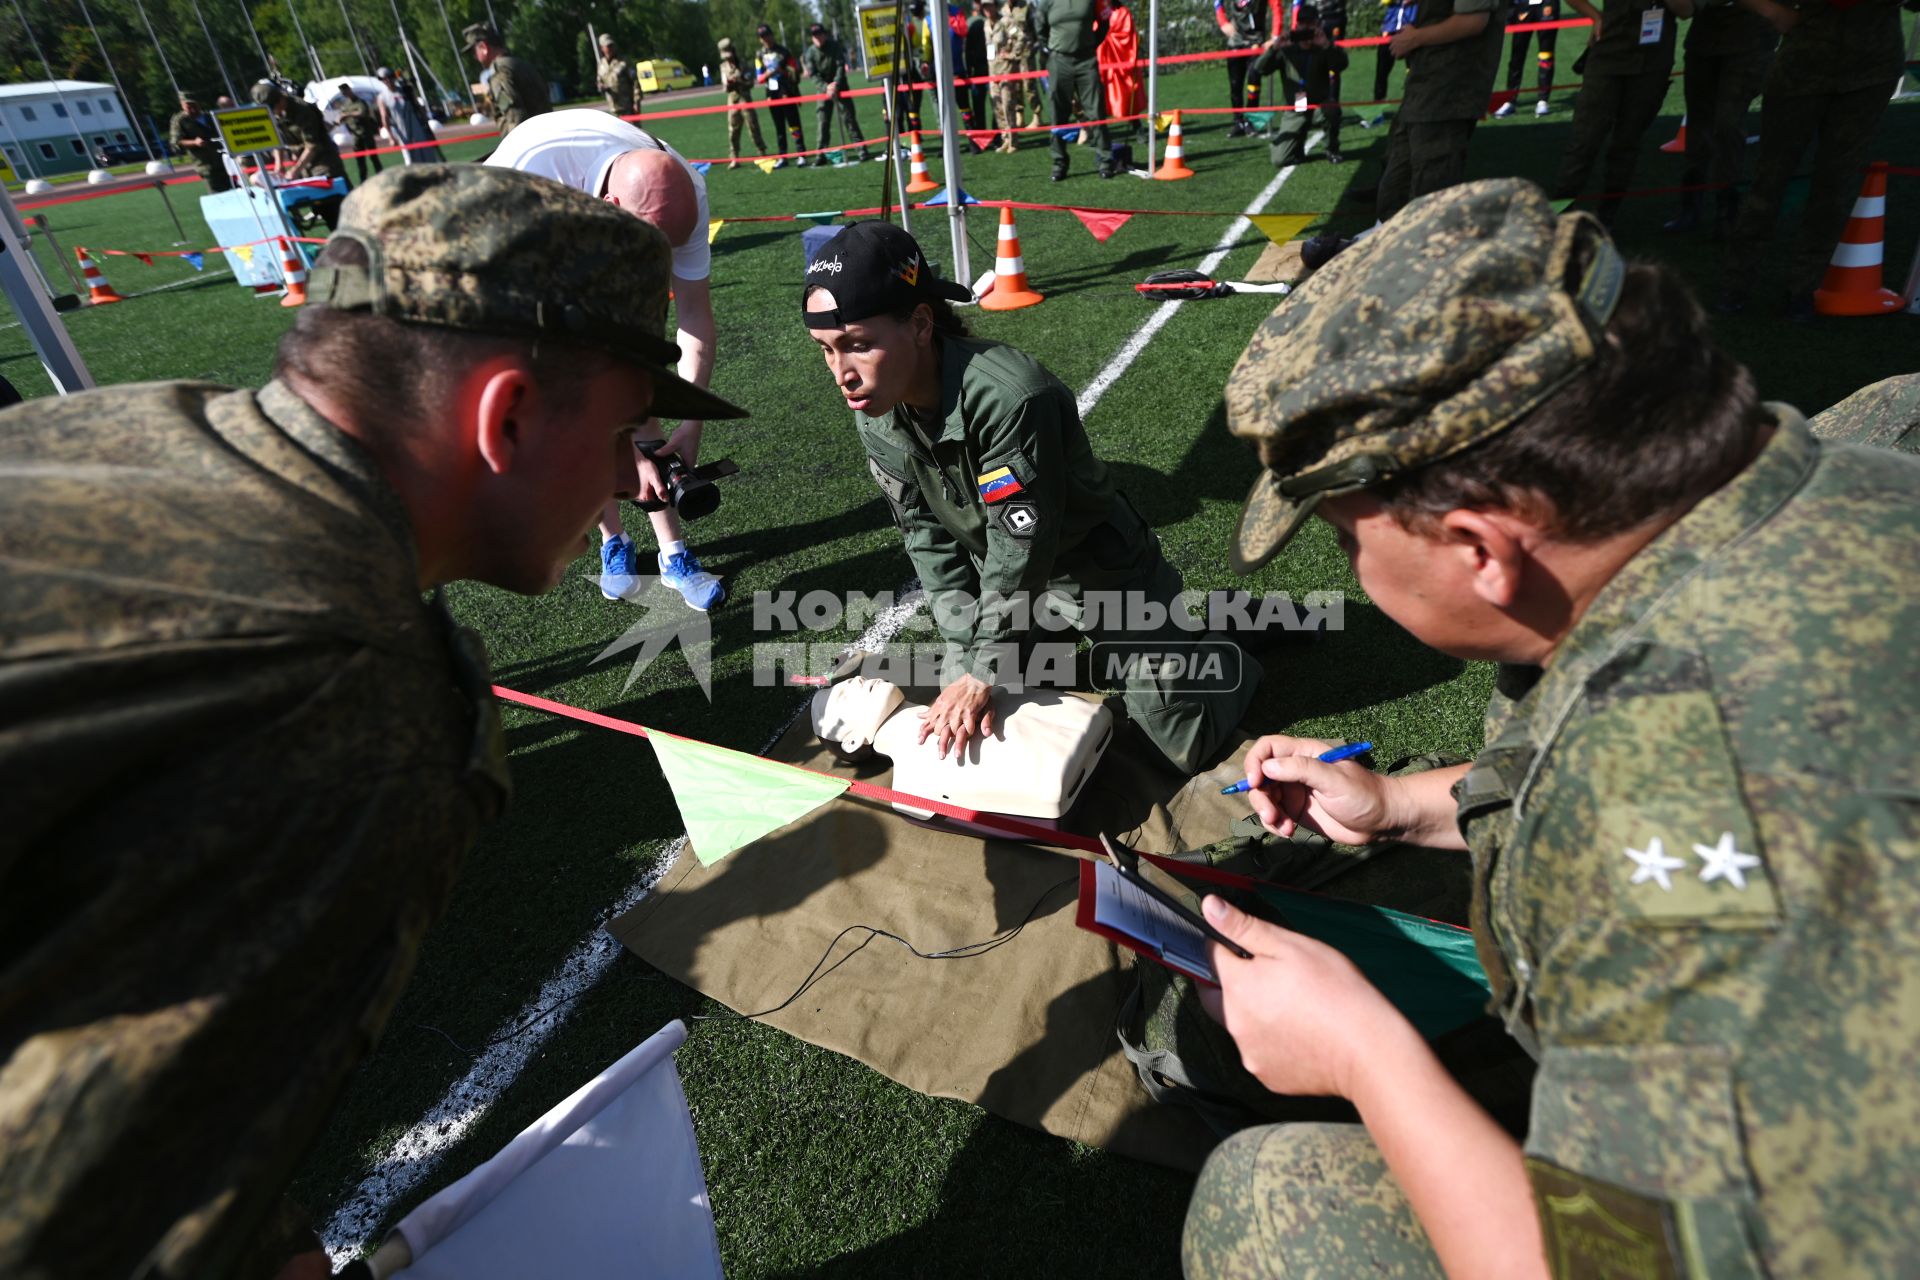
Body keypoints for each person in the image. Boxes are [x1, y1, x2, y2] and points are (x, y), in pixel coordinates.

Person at [0, 163, 747, 1280]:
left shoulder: (124, 426)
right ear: (508, 415)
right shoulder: (366, 695)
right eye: (625, 432)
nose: (634, 480)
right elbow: (68, 1211)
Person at [1183, 177, 1920, 1278]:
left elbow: (1626, 1260)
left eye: (1347, 542)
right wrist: (1399, 806)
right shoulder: (1845, 462)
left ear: (1483, 546)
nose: (1354, 575)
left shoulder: (1678, 806)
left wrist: (1365, 1055)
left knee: (1271, 1201)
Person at [802, 220, 1262, 772]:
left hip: (1095, 569)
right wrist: (963, 656)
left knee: (1181, 743)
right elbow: (926, 539)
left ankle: (1220, 646)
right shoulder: (878, 407)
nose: (841, 374)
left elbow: (1022, 543)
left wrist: (984, 668)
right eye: (826, 350)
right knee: (963, 722)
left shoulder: (1012, 398)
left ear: (921, 324)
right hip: (1002, 573)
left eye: (858, 345)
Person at [485, 109, 731, 611]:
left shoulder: (684, 194)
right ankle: (612, 540)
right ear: (610, 207)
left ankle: (672, 551)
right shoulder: (524, 190)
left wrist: (692, 420)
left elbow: (694, 317)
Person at [1720, 0, 1904, 318]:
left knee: (1834, 186)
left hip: (1870, 71)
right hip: (1804, 66)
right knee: (1769, 182)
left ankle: (1802, 289)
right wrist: (1772, 11)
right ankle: (1736, 283)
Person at [1549, 0, 1693, 227]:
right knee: (1585, 140)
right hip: (1608, 54)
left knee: (1627, 143)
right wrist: (1596, 16)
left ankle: (1607, 215)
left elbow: (1686, 11)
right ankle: (1560, 212)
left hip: (1652, 60)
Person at [1374, 0, 1505, 221]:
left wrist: (1415, 38)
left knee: (1429, 202)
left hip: (1448, 93)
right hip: (1426, 89)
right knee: (1394, 195)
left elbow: (1473, 21)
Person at [1663, 0, 1775, 236]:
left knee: (1728, 123)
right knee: (1698, 125)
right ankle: (1691, 206)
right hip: (1704, 42)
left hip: (1749, 42)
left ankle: (1727, 207)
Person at [1252, 2, 1350, 164]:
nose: (1306, 28)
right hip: (1295, 109)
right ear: (1297, 25)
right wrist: (1275, 49)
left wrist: (1326, 45)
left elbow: (1341, 65)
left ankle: (1332, 148)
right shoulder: (1287, 48)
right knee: (1279, 159)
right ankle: (1296, 147)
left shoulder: (1323, 46)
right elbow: (1260, 69)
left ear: (1318, 25)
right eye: (1303, 24)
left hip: (1319, 106)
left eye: (1310, 24)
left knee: (1332, 110)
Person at [249, 80, 349, 227]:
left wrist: (295, 171)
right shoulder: (275, 113)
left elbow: (312, 145)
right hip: (304, 168)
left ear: (280, 99)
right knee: (322, 210)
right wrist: (279, 167)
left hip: (324, 163)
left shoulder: (302, 110)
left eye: (273, 108)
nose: (273, 112)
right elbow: (277, 141)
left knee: (339, 207)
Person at [1034, 0, 1115, 179]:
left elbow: (1104, 22)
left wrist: (1091, 44)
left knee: (1096, 111)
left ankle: (1106, 161)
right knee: (1058, 114)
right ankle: (1059, 163)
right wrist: (1054, 49)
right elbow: (1040, 29)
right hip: (1059, 61)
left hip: (1087, 60)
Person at [803, 21, 873, 164]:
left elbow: (840, 66)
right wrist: (826, 88)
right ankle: (820, 155)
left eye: (820, 34)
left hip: (840, 86)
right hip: (823, 90)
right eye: (815, 35)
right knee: (822, 121)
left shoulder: (835, 46)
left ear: (825, 34)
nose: (818, 38)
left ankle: (861, 149)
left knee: (849, 118)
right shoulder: (810, 52)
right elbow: (813, 75)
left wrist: (835, 84)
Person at [464, 22, 551, 136]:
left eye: (474, 52)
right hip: (548, 135)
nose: (475, 57)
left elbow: (515, 118)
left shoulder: (500, 72)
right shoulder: (520, 64)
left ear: (483, 47)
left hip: (532, 141)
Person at [1492, 0, 1560, 116]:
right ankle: (1510, 101)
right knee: (1517, 55)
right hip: (1523, 5)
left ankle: (1543, 101)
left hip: (1547, 4)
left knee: (1546, 54)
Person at [756, 24, 807, 167]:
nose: (765, 39)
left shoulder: (784, 52)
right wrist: (770, 72)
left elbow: (795, 71)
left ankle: (801, 153)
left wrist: (782, 70)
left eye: (767, 35)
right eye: (762, 37)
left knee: (794, 125)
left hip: (787, 92)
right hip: (771, 94)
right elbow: (759, 78)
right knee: (779, 127)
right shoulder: (759, 55)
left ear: (772, 35)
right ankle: (782, 156)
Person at [986, 0, 1035, 150]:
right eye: (984, 7)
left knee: (1008, 104)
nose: (987, 9)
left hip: (1006, 68)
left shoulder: (1006, 21)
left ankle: (1014, 140)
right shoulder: (986, 25)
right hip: (993, 71)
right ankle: (1005, 137)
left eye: (989, 5)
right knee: (997, 106)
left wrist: (1013, 54)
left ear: (995, 6)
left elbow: (1021, 37)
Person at [1218, 0, 1272, 135]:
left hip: (1256, 40)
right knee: (1235, 84)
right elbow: (1217, 3)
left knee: (1254, 79)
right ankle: (1238, 121)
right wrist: (1223, 22)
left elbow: (1276, 7)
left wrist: (1275, 35)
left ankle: (1251, 121)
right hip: (1236, 41)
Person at [718, 36, 771, 167]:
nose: (728, 59)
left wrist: (740, 80)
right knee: (733, 130)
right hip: (733, 100)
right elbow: (725, 88)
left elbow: (750, 83)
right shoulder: (723, 67)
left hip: (745, 99)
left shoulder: (742, 64)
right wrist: (729, 85)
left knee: (753, 126)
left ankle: (762, 152)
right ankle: (734, 157)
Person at [1098, 0, 1145, 141]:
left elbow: (1128, 37)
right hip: (1102, 63)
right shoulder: (1095, 13)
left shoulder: (1122, 13)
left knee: (1129, 93)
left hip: (1121, 62)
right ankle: (1100, 134)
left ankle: (1138, 128)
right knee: (1098, 96)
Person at [168, 92, 231, 192]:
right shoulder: (180, 121)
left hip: (224, 161)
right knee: (218, 194)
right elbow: (176, 142)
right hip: (206, 165)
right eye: (188, 107)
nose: (192, 110)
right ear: (182, 105)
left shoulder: (209, 116)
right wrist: (194, 142)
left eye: (195, 106)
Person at [333, 81, 383, 182]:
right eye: (343, 92)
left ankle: (381, 176)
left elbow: (363, 112)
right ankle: (363, 180)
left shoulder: (360, 102)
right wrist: (339, 119)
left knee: (374, 158)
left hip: (366, 134)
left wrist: (348, 115)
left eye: (346, 91)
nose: (345, 93)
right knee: (360, 160)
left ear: (349, 90)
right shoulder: (345, 105)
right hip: (356, 136)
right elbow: (341, 116)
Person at [597, 32, 645, 117]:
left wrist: (636, 102)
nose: (611, 48)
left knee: (632, 130)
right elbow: (599, 81)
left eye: (612, 45)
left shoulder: (623, 62)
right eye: (608, 46)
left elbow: (635, 82)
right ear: (602, 48)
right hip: (613, 109)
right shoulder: (601, 65)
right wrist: (601, 86)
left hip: (628, 107)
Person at [965, 3, 993, 133]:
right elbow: (967, 49)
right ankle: (993, 134)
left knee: (987, 103)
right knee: (989, 102)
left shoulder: (974, 23)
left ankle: (987, 133)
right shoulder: (975, 24)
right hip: (982, 68)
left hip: (983, 68)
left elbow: (967, 50)